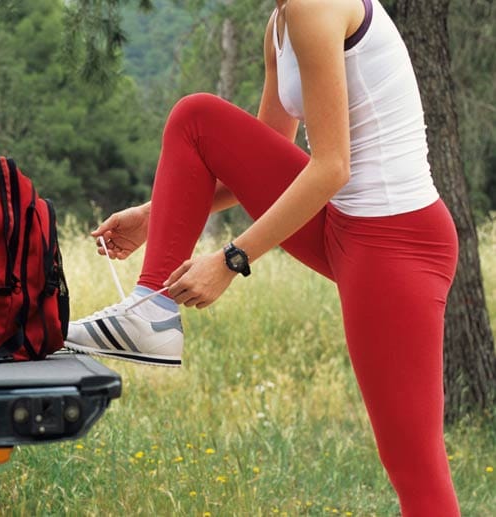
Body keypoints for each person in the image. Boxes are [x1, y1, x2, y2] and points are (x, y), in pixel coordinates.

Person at [63, 0, 461, 514]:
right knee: (197, 119)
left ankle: (149, 315)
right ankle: (150, 308)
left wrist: (232, 258)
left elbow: (331, 166)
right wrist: (153, 213)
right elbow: (265, 153)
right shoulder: (280, 23)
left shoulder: (315, 6)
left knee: (413, 464)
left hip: (397, 241)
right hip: (339, 223)